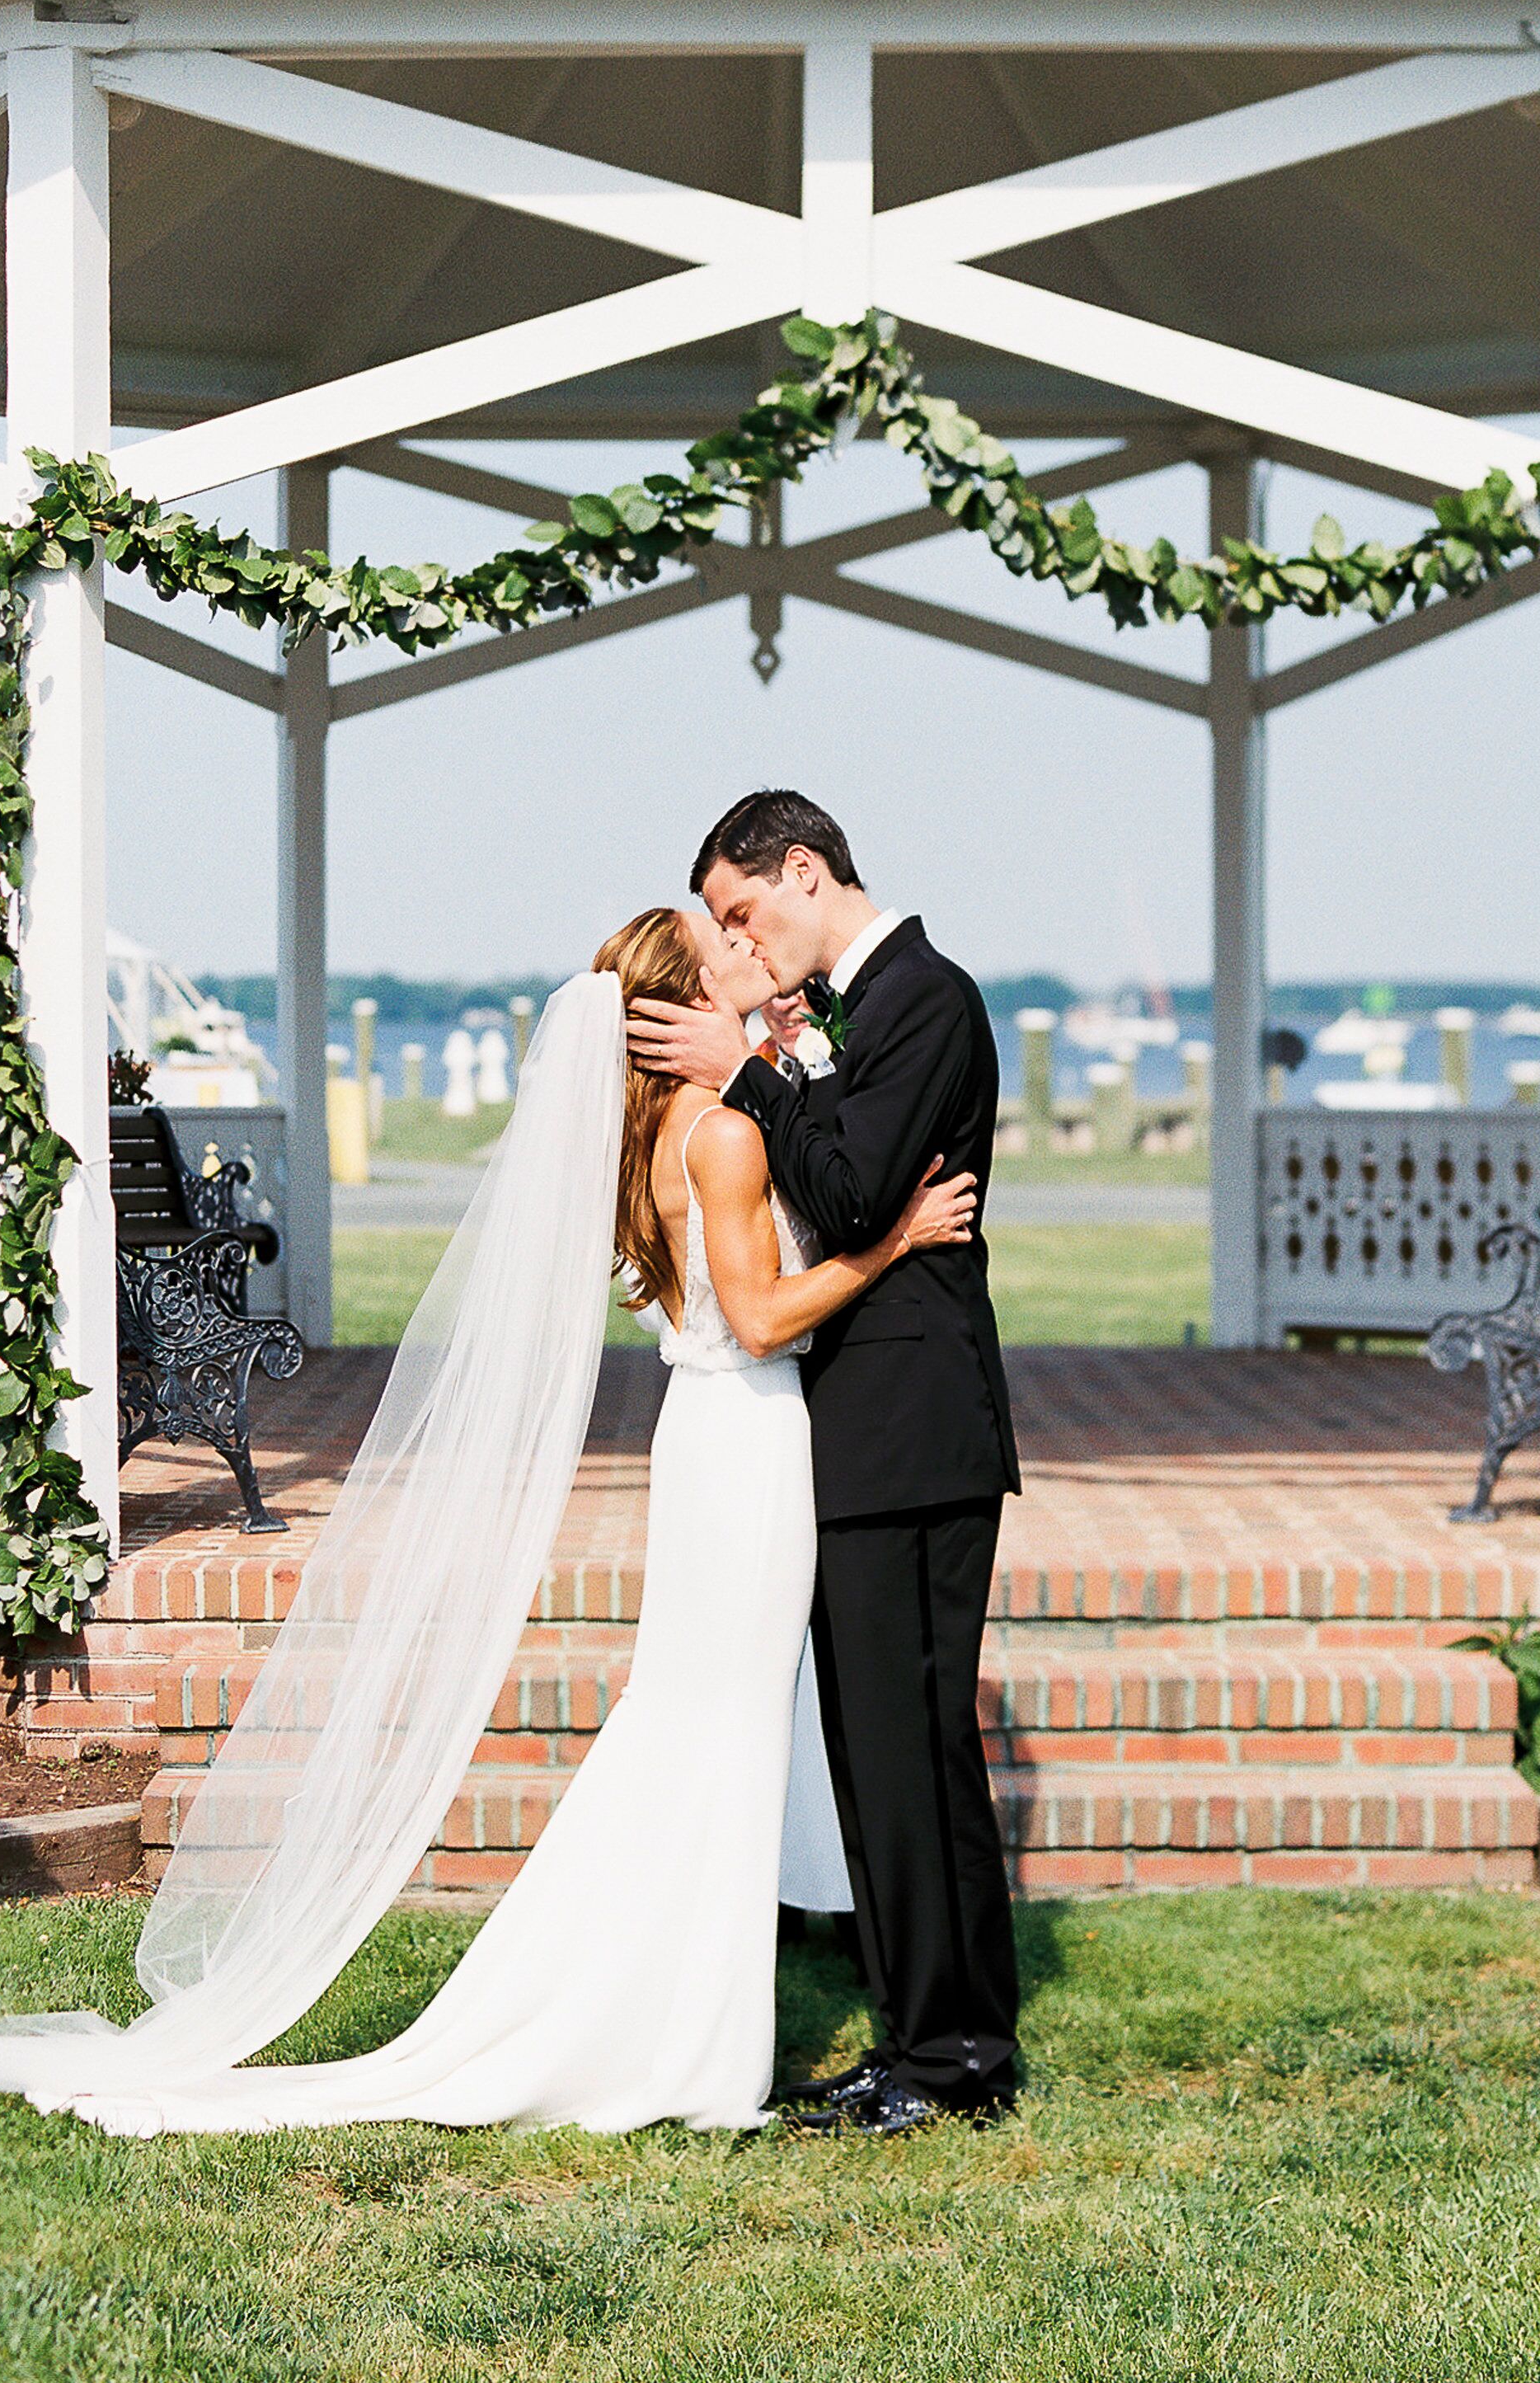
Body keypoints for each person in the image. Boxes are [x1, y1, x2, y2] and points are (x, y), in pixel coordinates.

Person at [0, 912, 972, 2138]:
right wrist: (890, 1242)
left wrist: (783, 1062)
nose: (743, 962)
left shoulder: (662, 1129)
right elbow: (768, 1319)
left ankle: (675, 2012)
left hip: (722, 1441)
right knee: (713, 1727)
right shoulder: (719, 1133)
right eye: (720, 958)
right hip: (746, 1445)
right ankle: (669, 2032)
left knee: (704, 1724)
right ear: (675, 1010)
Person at [628, 792, 1022, 2134]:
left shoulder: (926, 995)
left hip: (914, 1433)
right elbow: (842, 1179)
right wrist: (781, 1066)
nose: (741, 938)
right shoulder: (861, 1013)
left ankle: (946, 2061)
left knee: (909, 1750)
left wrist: (745, 1070)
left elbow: (850, 1196)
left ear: (806, 870)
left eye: (743, 910)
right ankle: (938, 2043)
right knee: (882, 1751)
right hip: (864, 1436)